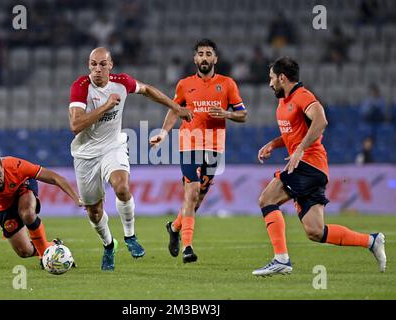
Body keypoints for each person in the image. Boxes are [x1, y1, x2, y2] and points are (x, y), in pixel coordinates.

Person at [252, 57, 386, 276]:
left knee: (266, 199)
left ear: (282, 78)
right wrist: (274, 144)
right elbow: (293, 134)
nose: (270, 83)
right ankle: (371, 241)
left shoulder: (302, 96)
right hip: (313, 168)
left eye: (272, 78)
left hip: (308, 164)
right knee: (315, 231)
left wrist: (300, 150)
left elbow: (321, 121)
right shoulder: (283, 102)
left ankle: (281, 259)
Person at [68, 47, 192, 271]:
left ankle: (130, 236)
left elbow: (147, 90)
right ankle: (109, 245)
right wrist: (106, 106)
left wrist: (176, 107)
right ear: (88, 65)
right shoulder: (80, 87)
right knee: (94, 212)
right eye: (93, 64)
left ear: (110, 65)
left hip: (112, 146)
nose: (97, 69)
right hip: (85, 154)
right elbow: (75, 126)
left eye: (102, 64)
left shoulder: (122, 82)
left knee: (122, 187)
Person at [150, 39, 247, 263]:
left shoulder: (228, 84)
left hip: (215, 146)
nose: (204, 57)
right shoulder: (184, 84)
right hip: (189, 142)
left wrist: (227, 114)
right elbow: (175, 110)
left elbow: (243, 114)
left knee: (198, 200)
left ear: (215, 59)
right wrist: (164, 134)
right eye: (200, 54)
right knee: (191, 193)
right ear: (195, 59)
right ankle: (188, 248)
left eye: (208, 54)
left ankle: (174, 227)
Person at [0, 155, 82, 271]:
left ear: (3, 168)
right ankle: (53, 246)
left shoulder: (16, 166)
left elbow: (54, 178)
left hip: (23, 187)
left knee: (27, 213)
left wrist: (76, 198)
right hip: (3, 206)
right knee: (24, 251)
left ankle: (44, 257)